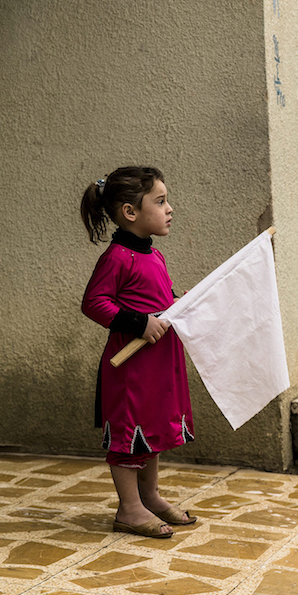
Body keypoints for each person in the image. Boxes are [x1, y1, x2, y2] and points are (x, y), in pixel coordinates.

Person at [80, 166, 196, 539]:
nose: (169, 209)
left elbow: (156, 300)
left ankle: (150, 496)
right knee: (130, 431)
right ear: (130, 212)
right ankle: (129, 508)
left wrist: (177, 304)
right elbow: (94, 303)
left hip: (157, 363)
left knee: (151, 428)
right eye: (160, 202)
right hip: (131, 366)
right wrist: (138, 322)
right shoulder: (117, 257)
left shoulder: (153, 256)